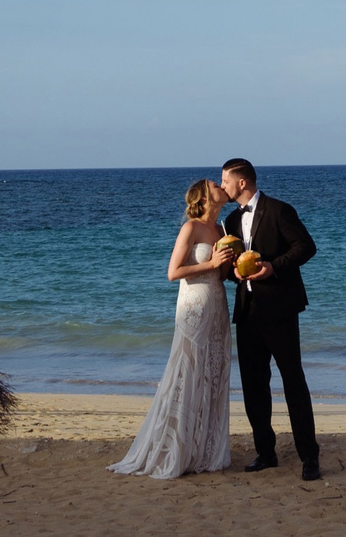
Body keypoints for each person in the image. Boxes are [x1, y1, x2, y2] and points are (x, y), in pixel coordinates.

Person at [109, 179, 234, 479]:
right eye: (215, 184)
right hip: (193, 307)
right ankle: (177, 448)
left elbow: (221, 274)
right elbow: (173, 272)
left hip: (217, 305)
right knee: (189, 370)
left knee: (214, 370)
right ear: (204, 198)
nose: (221, 185)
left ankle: (204, 449)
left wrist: (229, 263)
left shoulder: (221, 230)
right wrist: (211, 263)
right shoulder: (191, 228)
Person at [213, 158, 319, 480]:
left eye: (225, 181)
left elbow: (306, 247)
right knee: (253, 386)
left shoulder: (279, 210)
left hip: (281, 309)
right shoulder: (231, 220)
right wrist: (232, 273)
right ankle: (266, 452)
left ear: (242, 182)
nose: (222, 186)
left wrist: (273, 267)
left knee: (293, 382)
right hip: (247, 311)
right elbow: (233, 268)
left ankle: (309, 457)